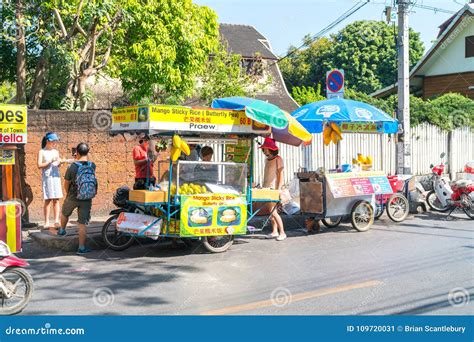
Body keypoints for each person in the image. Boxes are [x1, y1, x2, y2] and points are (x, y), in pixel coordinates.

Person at [58, 143, 97, 255]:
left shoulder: (72, 167)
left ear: (77, 153)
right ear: (87, 152)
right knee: (82, 223)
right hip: (87, 197)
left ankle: (62, 230)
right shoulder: (92, 165)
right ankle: (81, 248)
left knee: (65, 212)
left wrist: (68, 193)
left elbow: (66, 183)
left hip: (73, 195)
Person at [37, 132, 64, 231]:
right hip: (47, 178)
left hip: (56, 177)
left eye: (56, 141)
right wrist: (49, 161)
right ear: (48, 141)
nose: (55, 143)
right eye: (53, 141)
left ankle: (56, 221)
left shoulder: (56, 151)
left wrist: (60, 162)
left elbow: (57, 164)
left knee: (56, 199)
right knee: (48, 199)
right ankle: (46, 221)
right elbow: (39, 165)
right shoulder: (42, 151)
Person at [260, 137, 286, 241]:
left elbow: (280, 175)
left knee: (273, 211)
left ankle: (282, 232)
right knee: (271, 212)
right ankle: (275, 231)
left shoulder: (278, 159)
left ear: (271, 149)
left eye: (266, 148)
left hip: (274, 189)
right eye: (264, 149)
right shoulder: (267, 160)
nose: (265, 150)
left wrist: (278, 189)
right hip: (266, 187)